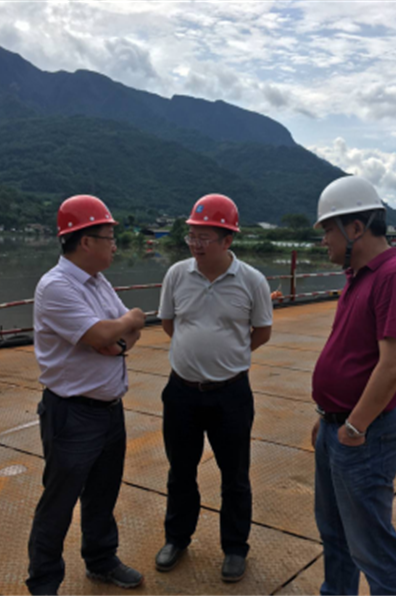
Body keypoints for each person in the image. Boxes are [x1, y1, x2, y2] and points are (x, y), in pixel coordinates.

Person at [26, 195, 146, 596]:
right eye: (109, 237)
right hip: (73, 414)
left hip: (110, 410)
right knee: (59, 502)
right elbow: (103, 333)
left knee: (103, 494)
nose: (115, 245)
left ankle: (101, 560)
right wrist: (128, 320)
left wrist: (118, 338)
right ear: (85, 241)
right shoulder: (56, 287)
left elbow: (120, 338)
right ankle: (44, 583)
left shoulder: (97, 281)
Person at [310, 176, 396, 596]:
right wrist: (328, 418)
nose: (324, 240)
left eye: (328, 229)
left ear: (355, 228)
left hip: (364, 435)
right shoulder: (358, 275)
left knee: (371, 547)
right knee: (335, 535)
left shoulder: (395, 276)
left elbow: (393, 364)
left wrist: (354, 426)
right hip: (338, 427)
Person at [154, 193, 273, 582]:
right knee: (180, 471)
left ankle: (235, 548)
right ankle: (177, 539)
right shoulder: (176, 274)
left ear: (228, 240)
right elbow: (170, 324)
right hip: (182, 392)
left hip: (231, 395)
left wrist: (227, 357)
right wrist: (197, 355)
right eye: (192, 235)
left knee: (234, 475)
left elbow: (261, 332)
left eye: (204, 237)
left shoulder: (252, 281)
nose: (196, 244)